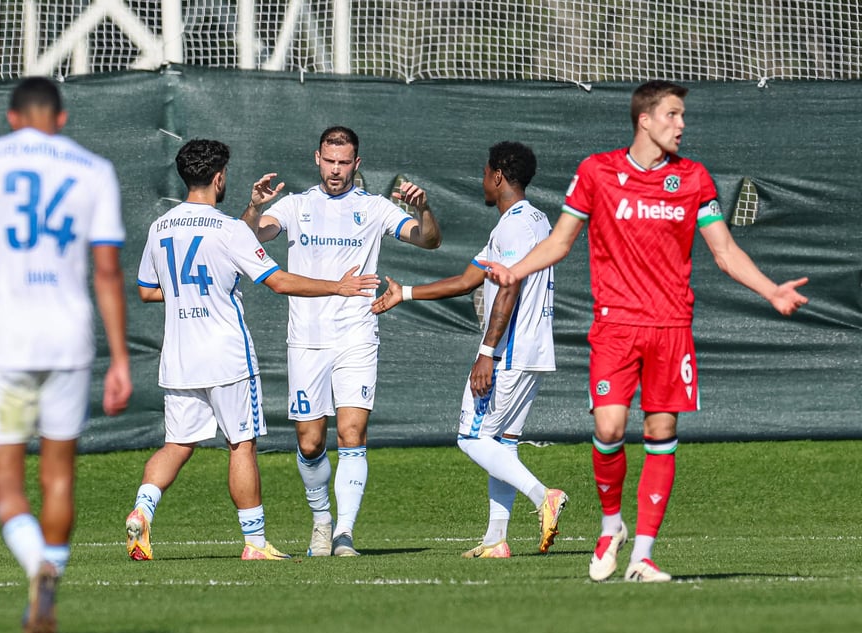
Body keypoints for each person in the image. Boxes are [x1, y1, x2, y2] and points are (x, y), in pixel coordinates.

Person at [482, 80, 808, 582]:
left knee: (661, 431)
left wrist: (772, 291)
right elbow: (562, 242)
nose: (682, 125)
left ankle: (644, 556)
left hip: (672, 328)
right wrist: (516, 269)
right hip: (615, 327)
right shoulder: (597, 172)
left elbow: (723, 251)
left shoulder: (694, 178)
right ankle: (612, 525)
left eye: (682, 116)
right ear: (646, 120)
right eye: (673, 115)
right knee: (609, 429)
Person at [124, 139, 380, 562]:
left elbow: (149, 291)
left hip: (179, 357)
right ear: (219, 177)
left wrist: (190, 293)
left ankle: (143, 508)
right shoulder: (227, 229)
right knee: (241, 444)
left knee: (177, 445)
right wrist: (338, 285)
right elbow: (278, 281)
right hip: (226, 356)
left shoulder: (160, 226)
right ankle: (255, 543)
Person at [0, 76, 132, 633]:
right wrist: (120, 358)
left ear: (12, 117)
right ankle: (53, 571)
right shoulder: (94, 170)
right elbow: (106, 272)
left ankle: (37, 566)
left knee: (5, 487)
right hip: (67, 341)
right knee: (59, 479)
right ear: (63, 119)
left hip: (1, 341)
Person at [240, 126, 442, 557]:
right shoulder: (295, 206)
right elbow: (251, 237)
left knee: (352, 432)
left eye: (344, 162)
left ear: (357, 164)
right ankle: (321, 520)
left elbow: (427, 240)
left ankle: (344, 533)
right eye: (329, 161)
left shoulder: (374, 208)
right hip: (307, 341)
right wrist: (255, 209)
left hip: (357, 335)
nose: (336, 170)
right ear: (317, 159)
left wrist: (424, 211)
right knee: (310, 442)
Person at [371, 141, 567, 558]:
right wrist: (403, 292)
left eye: (484, 173)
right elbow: (466, 280)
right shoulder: (532, 220)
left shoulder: (514, 226)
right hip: (533, 350)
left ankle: (542, 496)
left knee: (471, 438)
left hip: (510, 350)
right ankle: (496, 539)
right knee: (502, 444)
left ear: (498, 176)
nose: (482, 180)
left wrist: (488, 353)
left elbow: (509, 285)